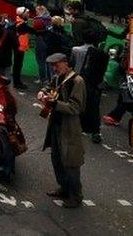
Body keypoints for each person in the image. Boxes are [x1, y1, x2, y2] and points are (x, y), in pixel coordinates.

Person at [39, 53, 86, 208]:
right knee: (57, 158)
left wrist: (54, 104)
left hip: (69, 127)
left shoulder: (77, 81)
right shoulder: (59, 78)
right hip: (56, 124)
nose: (54, 68)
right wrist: (43, 92)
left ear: (66, 64)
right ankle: (64, 187)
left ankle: (75, 195)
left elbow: (76, 107)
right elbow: (49, 86)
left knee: (70, 161)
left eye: (56, 65)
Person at [74, 29, 109, 144]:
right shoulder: (101, 54)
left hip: (78, 80)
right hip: (94, 83)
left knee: (77, 104)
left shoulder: (76, 50)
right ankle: (95, 131)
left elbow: (72, 64)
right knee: (94, 107)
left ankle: (78, 126)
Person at [13, 7, 32, 90]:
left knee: (17, 65)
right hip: (20, 47)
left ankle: (17, 81)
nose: (29, 15)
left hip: (19, 46)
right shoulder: (22, 24)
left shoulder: (19, 22)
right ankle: (17, 82)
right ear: (22, 14)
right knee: (18, 65)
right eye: (27, 13)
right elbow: (33, 31)